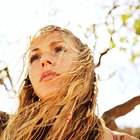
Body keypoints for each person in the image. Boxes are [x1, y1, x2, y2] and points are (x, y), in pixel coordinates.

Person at [1, 25, 138, 140]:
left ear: (84, 64)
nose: (44, 60)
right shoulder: (7, 131)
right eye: (35, 57)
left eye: (58, 49)